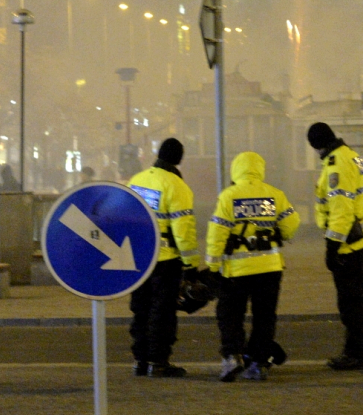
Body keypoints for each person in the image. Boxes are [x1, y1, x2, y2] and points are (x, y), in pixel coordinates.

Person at [207, 152, 299, 382]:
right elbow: (291, 225)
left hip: (237, 270)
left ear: (235, 170)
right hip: (269, 267)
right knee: (265, 316)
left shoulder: (229, 196)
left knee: (230, 314)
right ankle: (258, 363)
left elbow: (217, 233)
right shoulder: (275, 195)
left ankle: (232, 357)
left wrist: (212, 265)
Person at [127, 138, 200, 377]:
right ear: (179, 159)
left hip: (138, 257)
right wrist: (191, 265)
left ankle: (140, 360)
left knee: (141, 309)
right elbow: (183, 229)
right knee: (162, 310)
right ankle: (158, 362)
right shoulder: (176, 186)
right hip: (165, 260)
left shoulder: (136, 181)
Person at [308, 122, 363, 370]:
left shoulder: (338, 162)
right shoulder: (352, 156)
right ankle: (356, 351)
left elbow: (341, 208)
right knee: (356, 301)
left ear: (317, 145)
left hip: (350, 243)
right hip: (362, 238)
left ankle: (358, 354)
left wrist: (332, 245)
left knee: (351, 303)